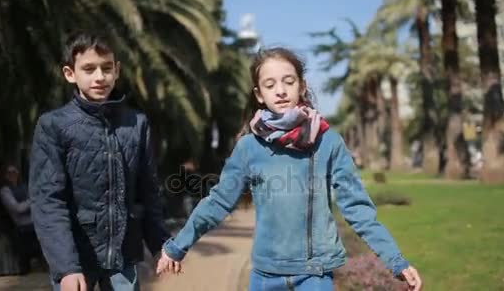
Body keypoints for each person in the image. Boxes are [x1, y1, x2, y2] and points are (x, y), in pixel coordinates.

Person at [156, 47, 422, 290]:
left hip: (315, 275)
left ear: (302, 87)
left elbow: (357, 208)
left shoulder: (327, 141)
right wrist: (178, 247)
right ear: (259, 95)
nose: (280, 90)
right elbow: (218, 202)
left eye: (288, 81)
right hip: (265, 276)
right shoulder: (249, 147)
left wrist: (396, 262)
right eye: (270, 85)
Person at [29, 32, 170, 291]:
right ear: (70, 74)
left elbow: (149, 192)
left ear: (117, 71)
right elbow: (48, 200)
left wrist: (161, 246)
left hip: (122, 259)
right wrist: (67, 268)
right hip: (76, 260)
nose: (99, 77)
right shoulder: (53, 126)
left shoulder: (136, 124)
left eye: (106, 68)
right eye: (89, 69)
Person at [0, 164, 39, 274]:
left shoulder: (24, 186)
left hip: (34, 222)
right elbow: (17, 209)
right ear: (6, 176)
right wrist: (32, 201)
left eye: (14, 173)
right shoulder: (5, 191)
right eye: (10, 173)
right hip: (21, 225)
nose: (13, 176)